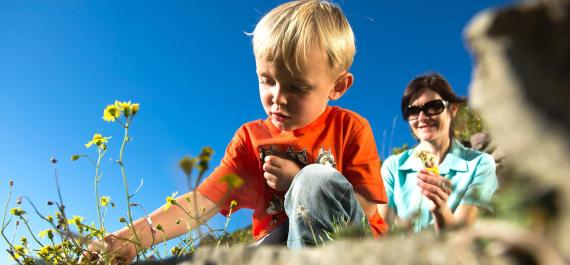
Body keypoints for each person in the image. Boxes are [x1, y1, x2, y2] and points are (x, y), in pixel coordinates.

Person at [88, 0, 388, 262]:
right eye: (267, 80)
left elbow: (368, 206)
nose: (278, 97)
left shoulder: (350, 127)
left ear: (337, 86)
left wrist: (298, 181)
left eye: (297, 87)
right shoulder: (250, 139)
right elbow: (203, 202)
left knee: (314, 179)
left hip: (350, 250)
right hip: (277, 249)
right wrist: (132, 237)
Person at [379, 73, 498, 233]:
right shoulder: (392, 167)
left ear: (452, 110)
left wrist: (440, 210)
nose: (422, 117)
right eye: (413, 111)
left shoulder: (480, 164)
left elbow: (462, 236)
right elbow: (381, 233)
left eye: (433, 107)